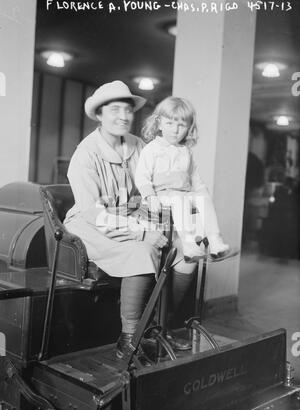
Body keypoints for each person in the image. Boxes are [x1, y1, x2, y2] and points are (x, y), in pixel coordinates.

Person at [64, 81, 193, 361]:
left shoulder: (137, 146)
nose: (123, 115)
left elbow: (153, 188)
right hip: (91, 225)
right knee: (143, 250)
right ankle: (130, 338)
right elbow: (92, 212)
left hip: (130, 214)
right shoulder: (85, 155)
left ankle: (159, 326)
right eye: (114, 109)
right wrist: (142, 233)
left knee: (185, 252)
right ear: (99, 115)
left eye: (127, 109)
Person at [135, 96, 229, 259]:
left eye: (181, 125)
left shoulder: (186, 151)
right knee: (180, 200)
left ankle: (215, 240)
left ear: (189, 128)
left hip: (182, 193)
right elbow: (142, 177)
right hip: (160, 196)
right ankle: (189, 244)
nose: (175, 130)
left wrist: (202, 194)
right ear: (159, 123)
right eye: (169, 123)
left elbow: (195, 179)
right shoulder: (152, 149)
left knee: (203, 198)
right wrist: (150, 196)